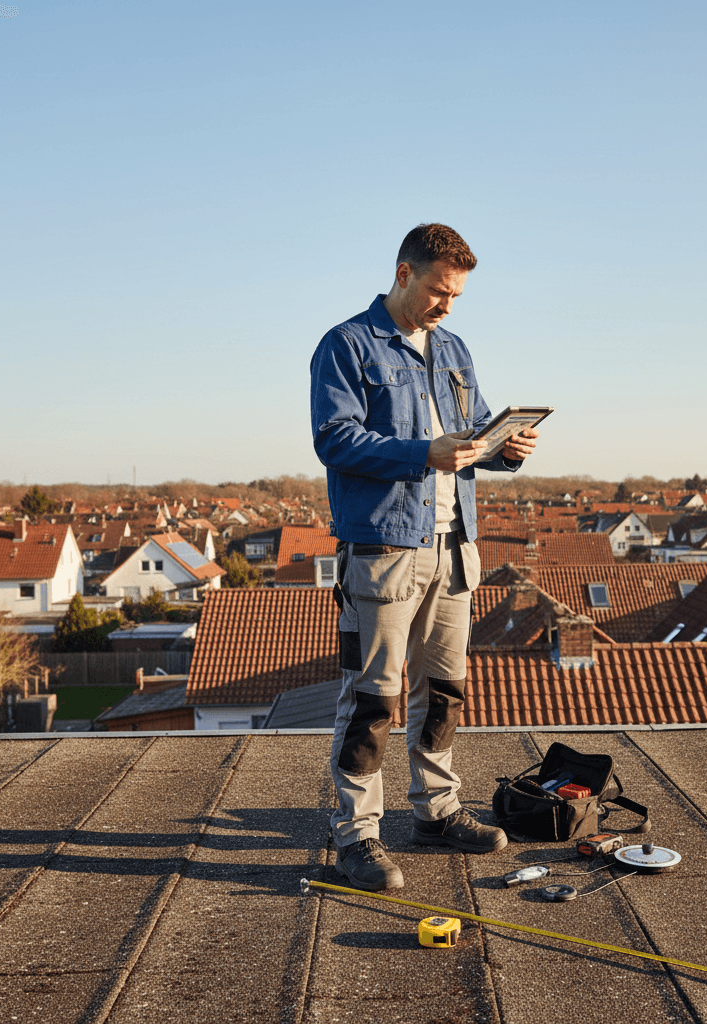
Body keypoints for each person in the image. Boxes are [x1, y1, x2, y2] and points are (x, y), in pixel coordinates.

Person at [310, 223, 539, 890]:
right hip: (382, 551)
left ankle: (436, 811)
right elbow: (334, 439)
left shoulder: (457, 349)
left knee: (444, 694)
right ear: (404, 274)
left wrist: (506, 450)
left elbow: (479, 433)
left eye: (457, 295)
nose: (448, 305)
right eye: (440, 291)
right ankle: (356, 834)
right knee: (372, 699)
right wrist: (421, 454)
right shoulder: (347, 345)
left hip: (453, 549)